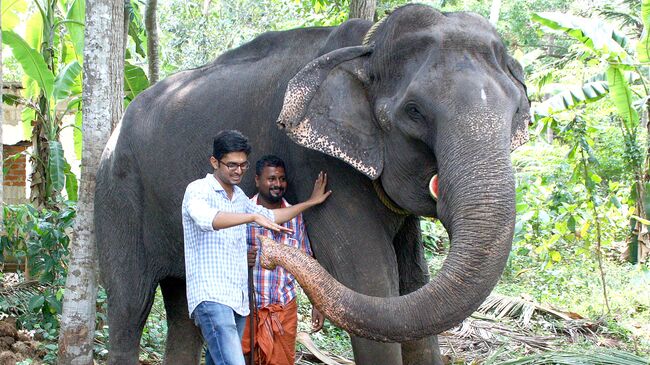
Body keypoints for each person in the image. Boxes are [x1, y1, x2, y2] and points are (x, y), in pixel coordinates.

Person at [181, 130, 331, 365]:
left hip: (237, 300)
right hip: (212, 297)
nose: (238, 170)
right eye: (231, 165)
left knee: (217, 360)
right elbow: (207, 219)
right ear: (214, 162)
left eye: (242, 165)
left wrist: (310, 203)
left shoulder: (238, 197)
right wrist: (251, 217)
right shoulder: (199, 190)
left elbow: (272, 215)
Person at [241, 155, 325, 365]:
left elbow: (305, 261)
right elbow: (223, 255)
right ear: (257, 180)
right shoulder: (242, 212)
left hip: (283, 309)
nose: (277, 184)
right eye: (271, 179)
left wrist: (318, 302)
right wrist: (241, 259)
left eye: (281, 178)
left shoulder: (296, 217)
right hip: (246, 306)